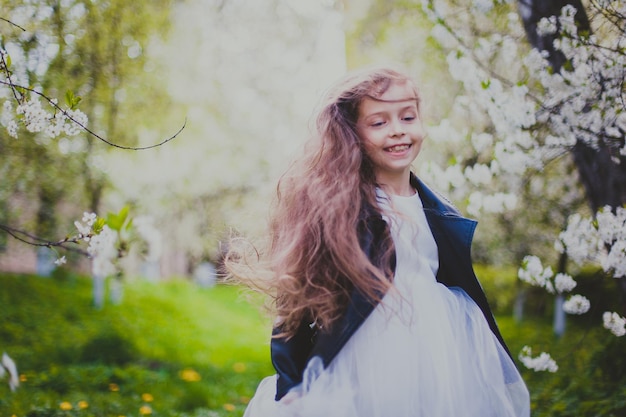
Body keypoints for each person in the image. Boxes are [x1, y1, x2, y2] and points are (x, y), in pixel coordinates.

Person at [226, 66, 530, 417]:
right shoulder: (342, 209)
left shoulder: (439, 211)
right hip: (363, 359)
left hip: (439, 355)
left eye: (407, 116)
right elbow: (298, 299)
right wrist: (292, 380)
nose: (398, 130)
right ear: (353, 134)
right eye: (379, 122)